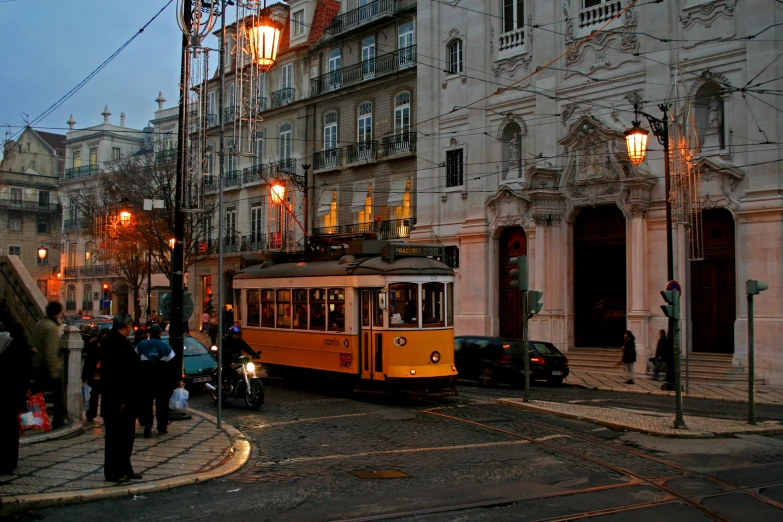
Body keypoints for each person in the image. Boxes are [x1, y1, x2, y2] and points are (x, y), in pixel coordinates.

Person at [101, 312, 142, 482]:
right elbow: (115, 374)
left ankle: (125, 467)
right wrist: (121, 400)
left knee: (124, 437)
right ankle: (113, 471)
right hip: (119, 401)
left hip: (121, 398)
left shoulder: (112, 341)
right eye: (130, 325)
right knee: (117, 438)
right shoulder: (116, 343)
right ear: (126, 325)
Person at [0, 322, 34, 475]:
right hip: (15, 393)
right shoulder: (23, 349)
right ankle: (10, 461)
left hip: (5, 391)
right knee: (12, 428)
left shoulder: (5, 347)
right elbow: (26, 372)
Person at [136, 324, 175, 438]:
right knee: (162, 405)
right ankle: (162, 428)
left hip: (145, 380)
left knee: (147, 403)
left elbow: (134, 360)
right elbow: (172, 364)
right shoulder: (165, 346)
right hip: (161, 380)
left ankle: (148, 424)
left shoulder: (142, 345)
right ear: (160, 333)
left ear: (149, 333)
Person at [32, 301, 66, 429]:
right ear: (57, 313)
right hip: (48, 367)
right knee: (58, 397)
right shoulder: (51, 327)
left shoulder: (40, 324)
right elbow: (51, 350)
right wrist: (54, 371)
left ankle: (35, 420)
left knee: (36, 395)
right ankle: (58, 421)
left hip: (38, 364)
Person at [82, 328, 109, 423]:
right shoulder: (93, 345)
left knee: (105, 396)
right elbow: (88, 361)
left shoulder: (110, 345)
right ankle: (91, 414)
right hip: (94, 374)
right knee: (93, 395)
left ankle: (105, 415)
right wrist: (84, 376)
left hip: (105, 374)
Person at [221, 326, 259, 390]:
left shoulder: (240, 341)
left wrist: (254, 354)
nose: (235, 336)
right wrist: (228, 352)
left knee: (244, 368)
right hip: (226, 359)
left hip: (237, 359)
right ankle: (223, 385)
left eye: (236, 335)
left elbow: (247, 348)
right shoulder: (225, 340)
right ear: (230, 334)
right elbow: (222, 349)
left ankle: (240, 383)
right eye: (234, 334)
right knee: (226, 369)